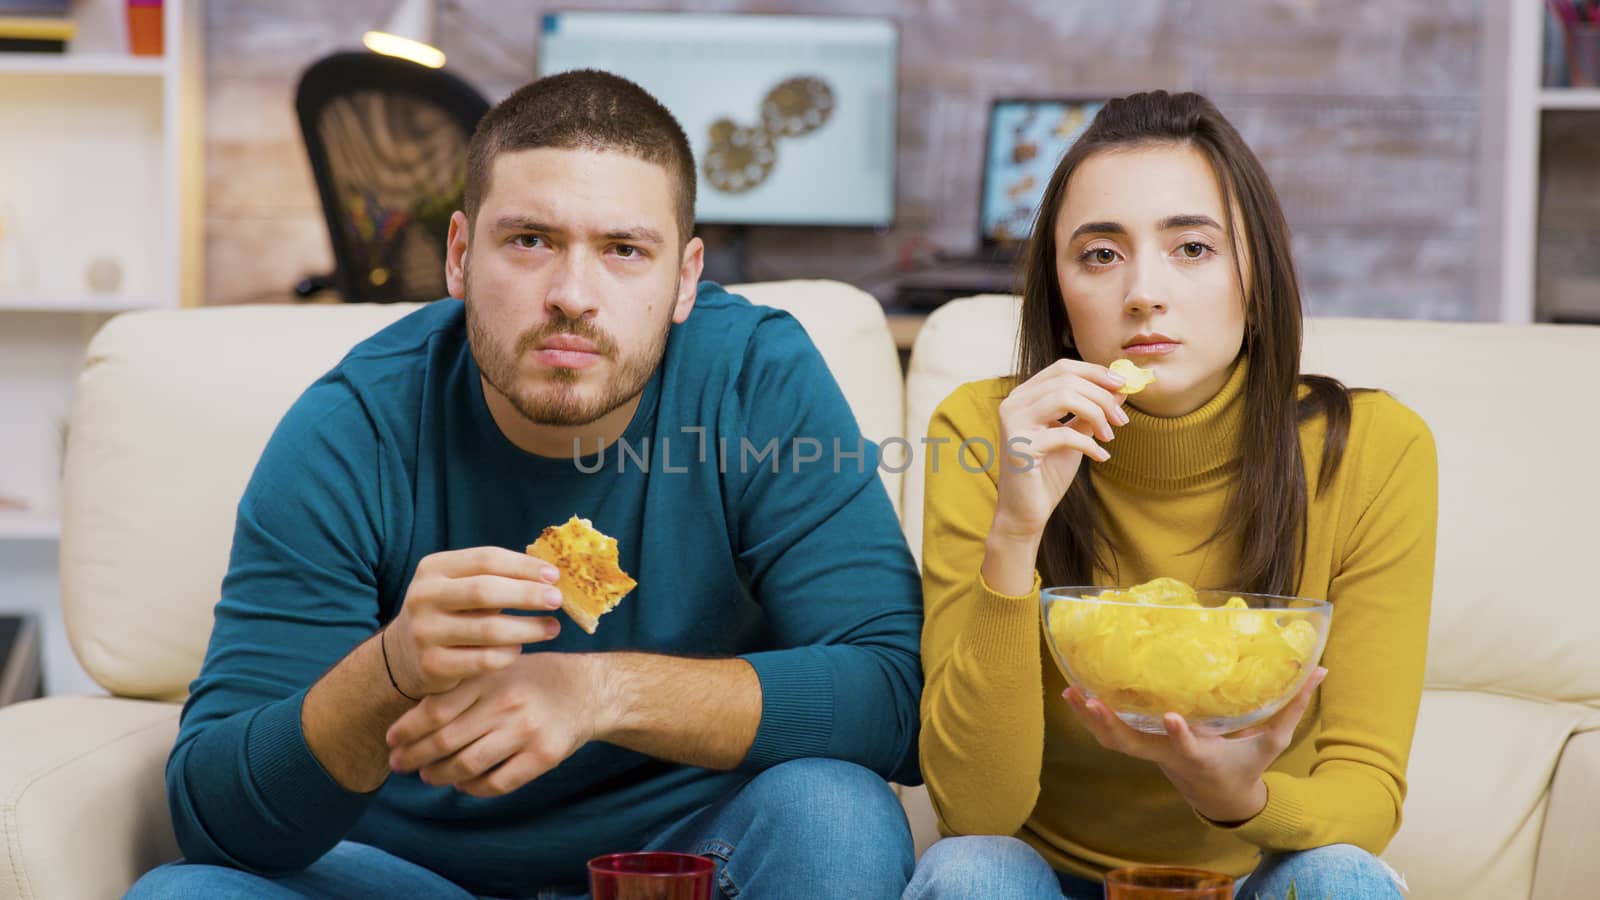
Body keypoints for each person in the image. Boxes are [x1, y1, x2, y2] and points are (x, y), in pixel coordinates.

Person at [127, 70, 922, 900]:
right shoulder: (352, 426)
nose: (572, 297)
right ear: (461, 255)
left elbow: (896, 698)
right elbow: (215, 818)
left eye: (623, 250)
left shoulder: (754, 381)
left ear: (685, 279)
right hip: (407, 874)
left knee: (837, 814)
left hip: (680, 865)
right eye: (531, 241)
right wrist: (390, 668)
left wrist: (599, 690)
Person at [905, 91, 1435, 900]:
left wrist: (1234, 796)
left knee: (1342, 880)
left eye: (1191, 248)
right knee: (969, 872)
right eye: (1101, 256)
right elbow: (976, 809)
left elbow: (1366, 797)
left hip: (1254, 871)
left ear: (1255, 274)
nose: (1144, 292)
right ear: (1059, 293)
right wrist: (1016, 531)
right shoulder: (986, 431)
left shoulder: (1371, 448)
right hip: (1046, 878)